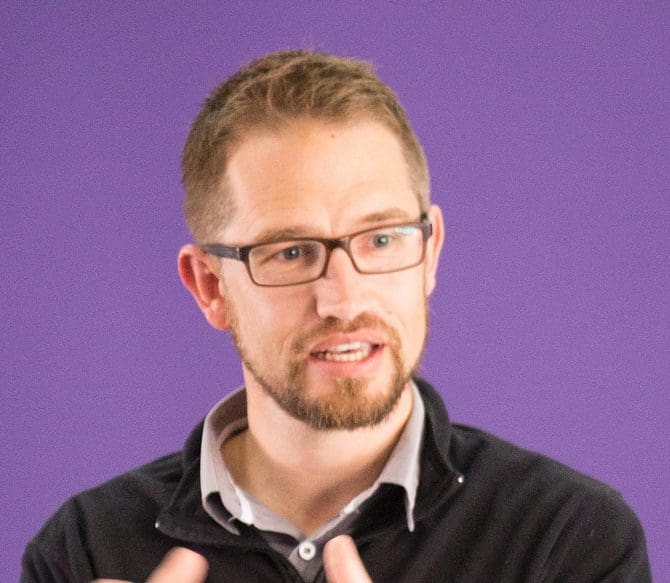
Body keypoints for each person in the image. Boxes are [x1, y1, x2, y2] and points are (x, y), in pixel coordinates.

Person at [22, 50, 651, 583]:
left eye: (381, 240)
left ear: (430, 253)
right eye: (291, 253)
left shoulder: (567, 542)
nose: (344, 300)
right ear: (210, 286)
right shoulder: (84, 551)